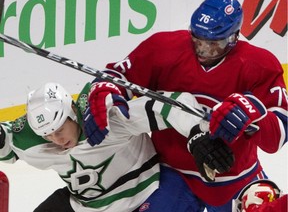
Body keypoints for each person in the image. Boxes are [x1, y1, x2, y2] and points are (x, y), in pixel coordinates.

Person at [102, 0, 288, 211]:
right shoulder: (163, 48)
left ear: (234, 37)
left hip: (236, 177)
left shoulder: (260, 64)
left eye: (213, 44)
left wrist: (253, 111)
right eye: (198, 40)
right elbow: (116, 77)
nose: (203, 50)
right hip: (172, 172)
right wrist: (106, 92)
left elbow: (279, 135)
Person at [0, 81, 234, 211]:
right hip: (85, 205)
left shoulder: (107, 118)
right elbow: (7, 141)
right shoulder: (33, 141)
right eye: (48, 136)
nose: (57, 140)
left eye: (60, 130)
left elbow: (169, 105)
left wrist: (196, 134)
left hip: (142, 195)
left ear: (72, 111)